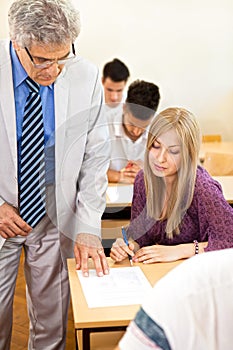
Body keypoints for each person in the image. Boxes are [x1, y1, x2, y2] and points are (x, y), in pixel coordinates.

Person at [0, 0, 110, 349]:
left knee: (52, 325)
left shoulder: (87, 75)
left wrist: (89, 228)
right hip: (2, 214)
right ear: (17, 41)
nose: (55, 70)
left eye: (63, 57)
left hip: (54, 216)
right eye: (44, 60)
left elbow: (96, 157)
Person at [110, 107, 233, 263]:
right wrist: (127, 246)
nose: (160, 158)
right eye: (155, 146)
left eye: (173, 151)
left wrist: (180, 250)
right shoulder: (143, 180)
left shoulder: (202, 189)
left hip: (200, 273)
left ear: (188, 154)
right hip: (162, 272)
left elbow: (229, 240)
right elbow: (142, 239)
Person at [115, 248, 233, 350]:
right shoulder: (179, 296)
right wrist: (130, 245)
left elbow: (221, 241)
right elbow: (141, 237)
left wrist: (185, 249)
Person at [107, 80, 160, 184]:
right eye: (132, 124)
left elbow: (175, 174)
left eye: (143, 126)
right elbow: (88, 169)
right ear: (124, 107)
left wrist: (148, 176)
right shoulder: (104, 125)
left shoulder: (161, 131)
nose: (136, 132)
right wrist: (118, 176)